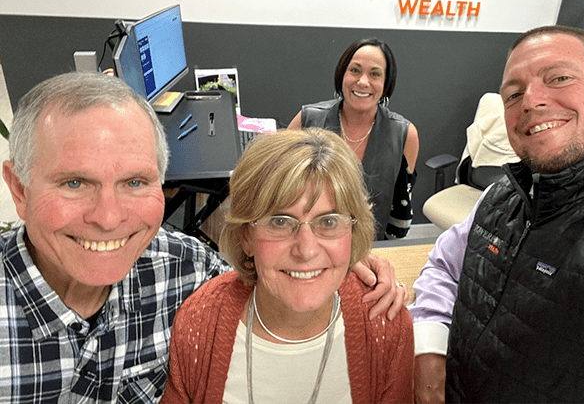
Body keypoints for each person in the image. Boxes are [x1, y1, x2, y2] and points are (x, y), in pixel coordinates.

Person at [0, 72, 406, 403]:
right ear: (19, 189)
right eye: (74, 182)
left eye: (135, 181)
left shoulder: (183, 267)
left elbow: (274, 264)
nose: (108, 218)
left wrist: (349, 259)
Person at [409, 25, 584, 403]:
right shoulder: (503, 193)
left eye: (559, 78)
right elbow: (444, 267)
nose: (531, 101)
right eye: (514, 93)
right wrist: (429, 349)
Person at [162, 128, 414, 403]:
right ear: (246, 236)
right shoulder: (199, 324)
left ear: (352, 232)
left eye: (328, 221)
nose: (306, 250)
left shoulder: (385, 325)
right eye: (280, 222)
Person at [288, 38, 419, 241]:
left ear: (386, 84)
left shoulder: (404, 134)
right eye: (355, 70)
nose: (363, 82)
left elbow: (400, 212)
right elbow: (279, 188)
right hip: (308, 242)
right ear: (342, 74)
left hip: (371, 249)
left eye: (374, 74)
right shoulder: (307, 120)